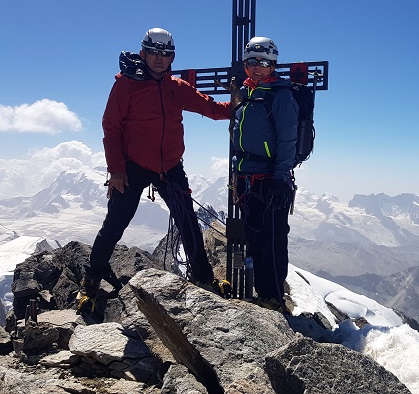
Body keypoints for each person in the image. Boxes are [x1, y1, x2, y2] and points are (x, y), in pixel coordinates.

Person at [77, 27, 232, 313]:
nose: (160, 59)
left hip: (170, 167)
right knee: (115, 225)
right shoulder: (125, 85)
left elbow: (211, 109)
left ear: (172, 57)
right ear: (143, 54)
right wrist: (117, 170)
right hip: (132, 168)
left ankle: (204, 279)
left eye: (166, 54)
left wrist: (241, 101)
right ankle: (89, 286)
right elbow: (110, 128)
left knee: (188, 223)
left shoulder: (177, 87)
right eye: (155, 53)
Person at [231, 37, 297, 312]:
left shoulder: (280, 96)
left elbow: (288, 140)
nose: (257, 67)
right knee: (255, 239)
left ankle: (273, 299)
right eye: (252, 62)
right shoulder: (246, 96)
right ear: (245, 65)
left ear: (273, 65)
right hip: (247, 180)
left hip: (271, 181)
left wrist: (281, 178)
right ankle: (264, 296)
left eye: (264, 63)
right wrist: (237, 177)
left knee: (272, 242)